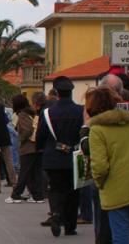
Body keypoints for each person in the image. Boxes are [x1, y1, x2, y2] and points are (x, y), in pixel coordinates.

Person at [86, 87, 129, 244]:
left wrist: (99, 182)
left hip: (116, 189)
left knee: (120, 235)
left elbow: (100, 166)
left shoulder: (97, 130)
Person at [36, 76, 84, 237]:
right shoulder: (80, 111)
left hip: (53, 157)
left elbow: (40, 135)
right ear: (71, 91)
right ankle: (70, 226)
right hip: (73, 156)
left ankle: (56, 213)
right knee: (73, 191)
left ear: (57, 92)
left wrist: (41, 149)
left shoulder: (47, 112)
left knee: (55, 188)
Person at [6, 94, 44, 204]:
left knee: (24, 172)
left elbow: (27, 130)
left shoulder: (22, 114)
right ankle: (38, 196)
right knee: (35, 173)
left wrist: (21, 138)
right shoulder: (32, 112)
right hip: (37, 146)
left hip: (28, 147)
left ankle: (16, 194)